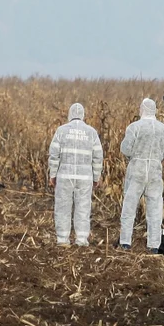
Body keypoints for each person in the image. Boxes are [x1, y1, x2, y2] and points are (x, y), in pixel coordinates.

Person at [48, 103, 104, 247]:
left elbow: (54, 155)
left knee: (62, 207)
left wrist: (53, 174)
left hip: (64, 176)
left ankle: (62, 239)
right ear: (83, 115)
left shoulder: (61, 131)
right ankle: (81, 240)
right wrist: (96, 177)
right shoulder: (91, 132)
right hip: (85, 177)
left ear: (70, 114)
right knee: (83, 208)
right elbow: (98, 156)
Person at [118, 98, 164, 254]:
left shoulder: (134, 127)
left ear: (142, 109)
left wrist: (135, 157)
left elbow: (126, 149)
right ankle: (154, 245)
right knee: (155, 209)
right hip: (155, 170)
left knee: (129, 206)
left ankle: (125, 242)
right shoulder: (163, 129)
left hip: (137, 169)